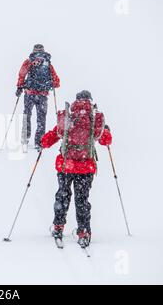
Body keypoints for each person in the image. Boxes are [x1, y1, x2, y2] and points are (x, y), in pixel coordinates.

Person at [40, 90, 112, 248]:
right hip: (86, 168)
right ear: (90, 101)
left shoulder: (68, 114)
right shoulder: (95, 118)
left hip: (66, 165)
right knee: (82, 200)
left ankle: (58, 227)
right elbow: (106, 141)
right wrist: (106, 130)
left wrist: (43, 143)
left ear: (76, 100)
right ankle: (83, 231)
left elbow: (55, 134)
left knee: (63, 196)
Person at [16, 44, 60, 151]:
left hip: (29, 93)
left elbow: (22, 74)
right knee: (41, 119)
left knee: (27, 114)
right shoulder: (48, 63)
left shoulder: (29, 61)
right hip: (43, 95)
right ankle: (39, 142)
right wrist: (51, 85)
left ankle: (25, 138)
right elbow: (57, 82)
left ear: (33, 51)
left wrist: (19, 87)